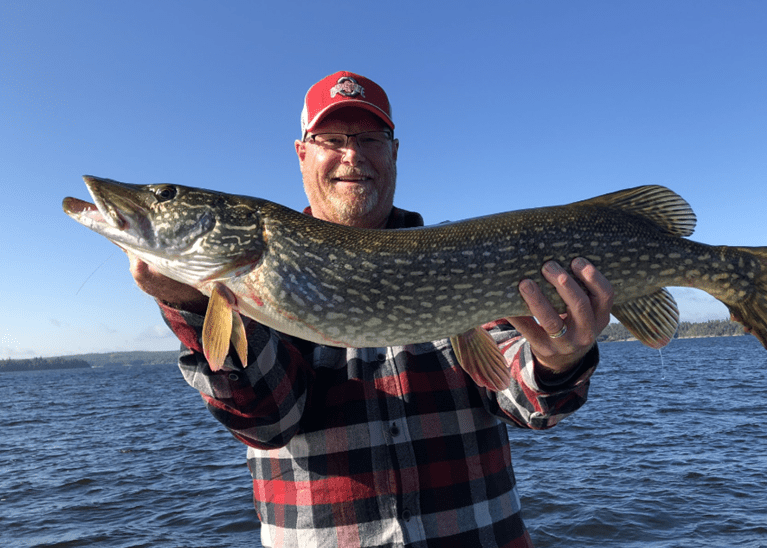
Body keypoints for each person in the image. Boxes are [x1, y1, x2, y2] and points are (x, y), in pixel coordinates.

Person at [129, 71, 614, 548]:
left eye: (370, 138)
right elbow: (267, 421)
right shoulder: (257, 279)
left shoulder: (464, 257)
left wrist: (558, 361)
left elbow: (523, 397)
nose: (353, 154)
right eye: (331, 138)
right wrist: (188, 302)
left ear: (394, 152)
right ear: (303, 153)